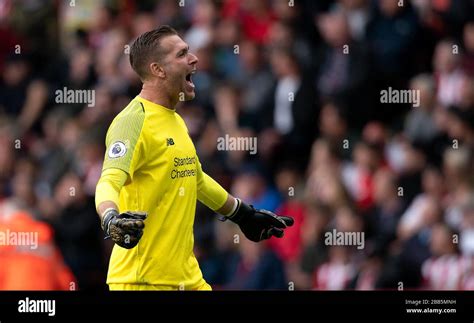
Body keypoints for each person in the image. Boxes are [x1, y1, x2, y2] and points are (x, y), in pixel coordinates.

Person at [94, 25, 294, 291]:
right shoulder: (132, 121)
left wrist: (242, 214)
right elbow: (108, 180)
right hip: (143, 280)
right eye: (182, 54)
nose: (194, 58)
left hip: (186, 278)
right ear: (158, 69)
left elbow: (195, 179)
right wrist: (110, 217)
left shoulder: (175, 120)